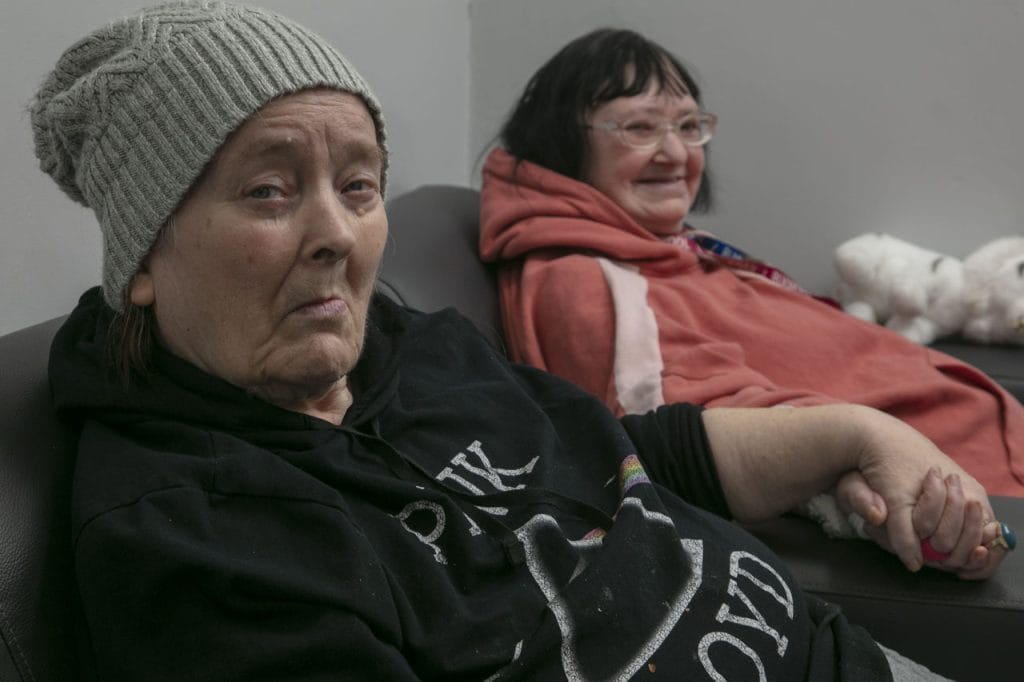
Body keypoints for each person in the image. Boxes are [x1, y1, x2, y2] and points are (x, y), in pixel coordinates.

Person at [33, 3, 1009, 680]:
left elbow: (623, 451)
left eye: (360, 185)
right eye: (268, 190)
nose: (337, 233)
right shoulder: (189, 538)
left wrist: (854, 433)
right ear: (146, 256)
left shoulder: (412, 347)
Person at [478, 28, 1024, 498]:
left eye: (688, 127)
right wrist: (857, 456)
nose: (678, 153)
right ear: (562, 141)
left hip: (984, 443)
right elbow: (688, 439)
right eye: (641, 128)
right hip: (960, 490)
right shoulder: (584, 280)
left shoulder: (659, 244)